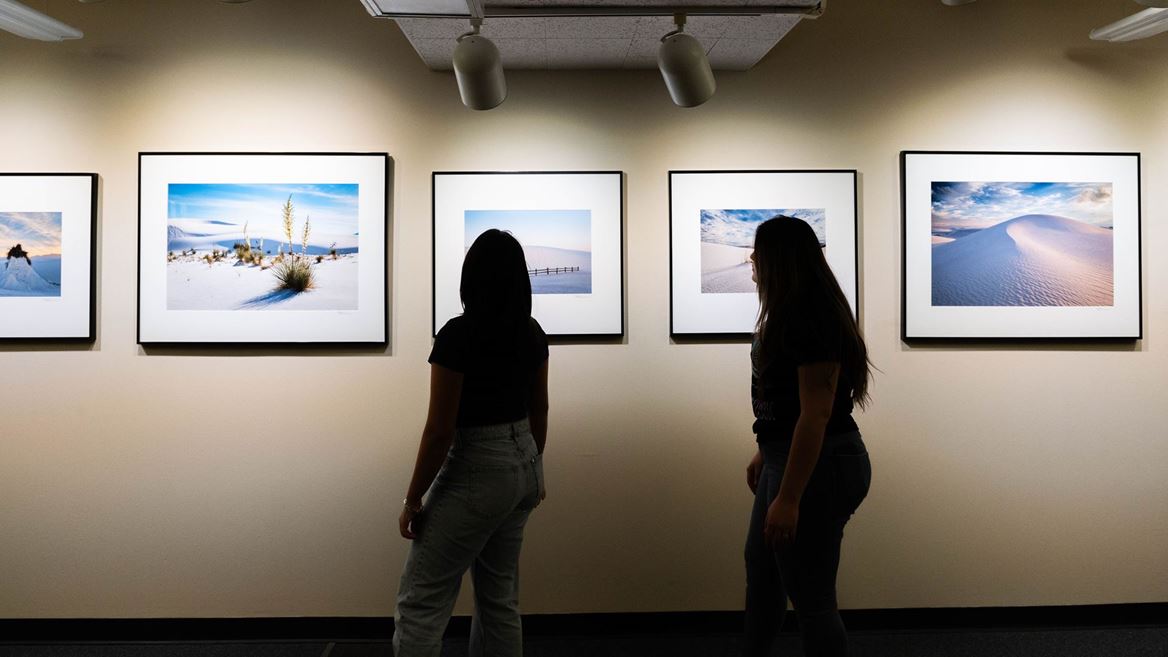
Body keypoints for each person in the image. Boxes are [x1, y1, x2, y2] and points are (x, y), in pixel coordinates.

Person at [394, 228, 549, 657]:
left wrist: (413, 500)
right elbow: (539, 409)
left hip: (477, 469)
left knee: (420, 602)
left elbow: (440, 431)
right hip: (523, 467)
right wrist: (534, 467)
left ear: (471, 278)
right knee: (500, 600)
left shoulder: (457, 336)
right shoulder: (532, 333)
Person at [743, 215, 872, 657]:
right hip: (788, 458)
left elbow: (816, 413)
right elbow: (786, 402)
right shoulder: (788, 313)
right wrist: (765, 448)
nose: (752, 259)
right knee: (763, 572)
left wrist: (790, 497)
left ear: (779, 260)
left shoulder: (811, 318)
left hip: (821, 465)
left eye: (758, 253)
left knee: (812, 597)